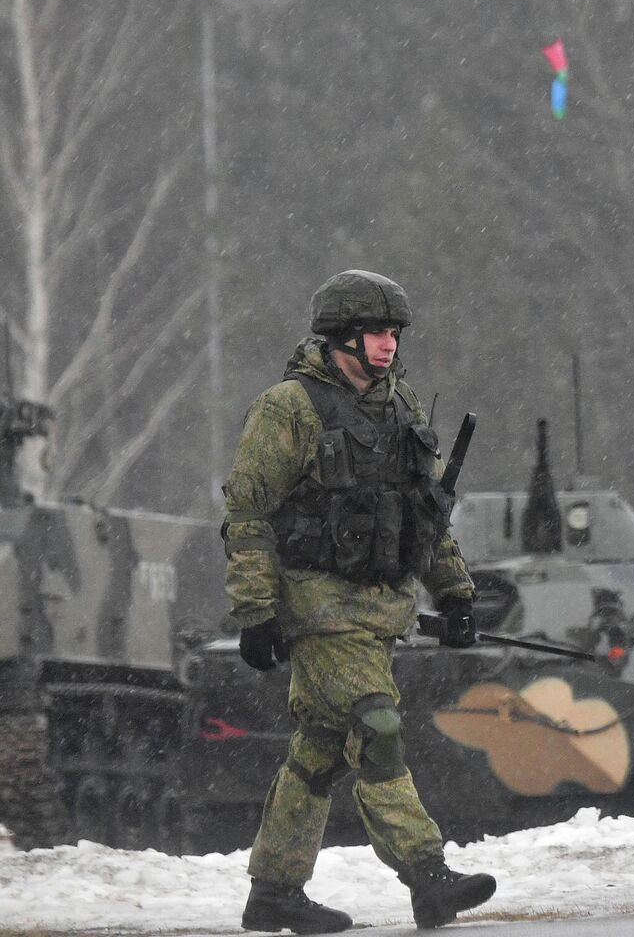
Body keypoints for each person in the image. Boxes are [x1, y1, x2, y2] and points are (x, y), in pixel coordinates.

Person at [222, 270, 494, 933]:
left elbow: (426, 517)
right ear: (344, 335)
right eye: (377, 331)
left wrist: (456, 592)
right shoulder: (291, 407)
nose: (389, 343)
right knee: (377, 725)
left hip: (379, 610)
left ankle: (275, 891)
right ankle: (427, 875)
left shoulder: (402, 409)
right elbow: (248, 513)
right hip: (317, 606)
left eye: (395, 332)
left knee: (318, 746)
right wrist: (256, 610)